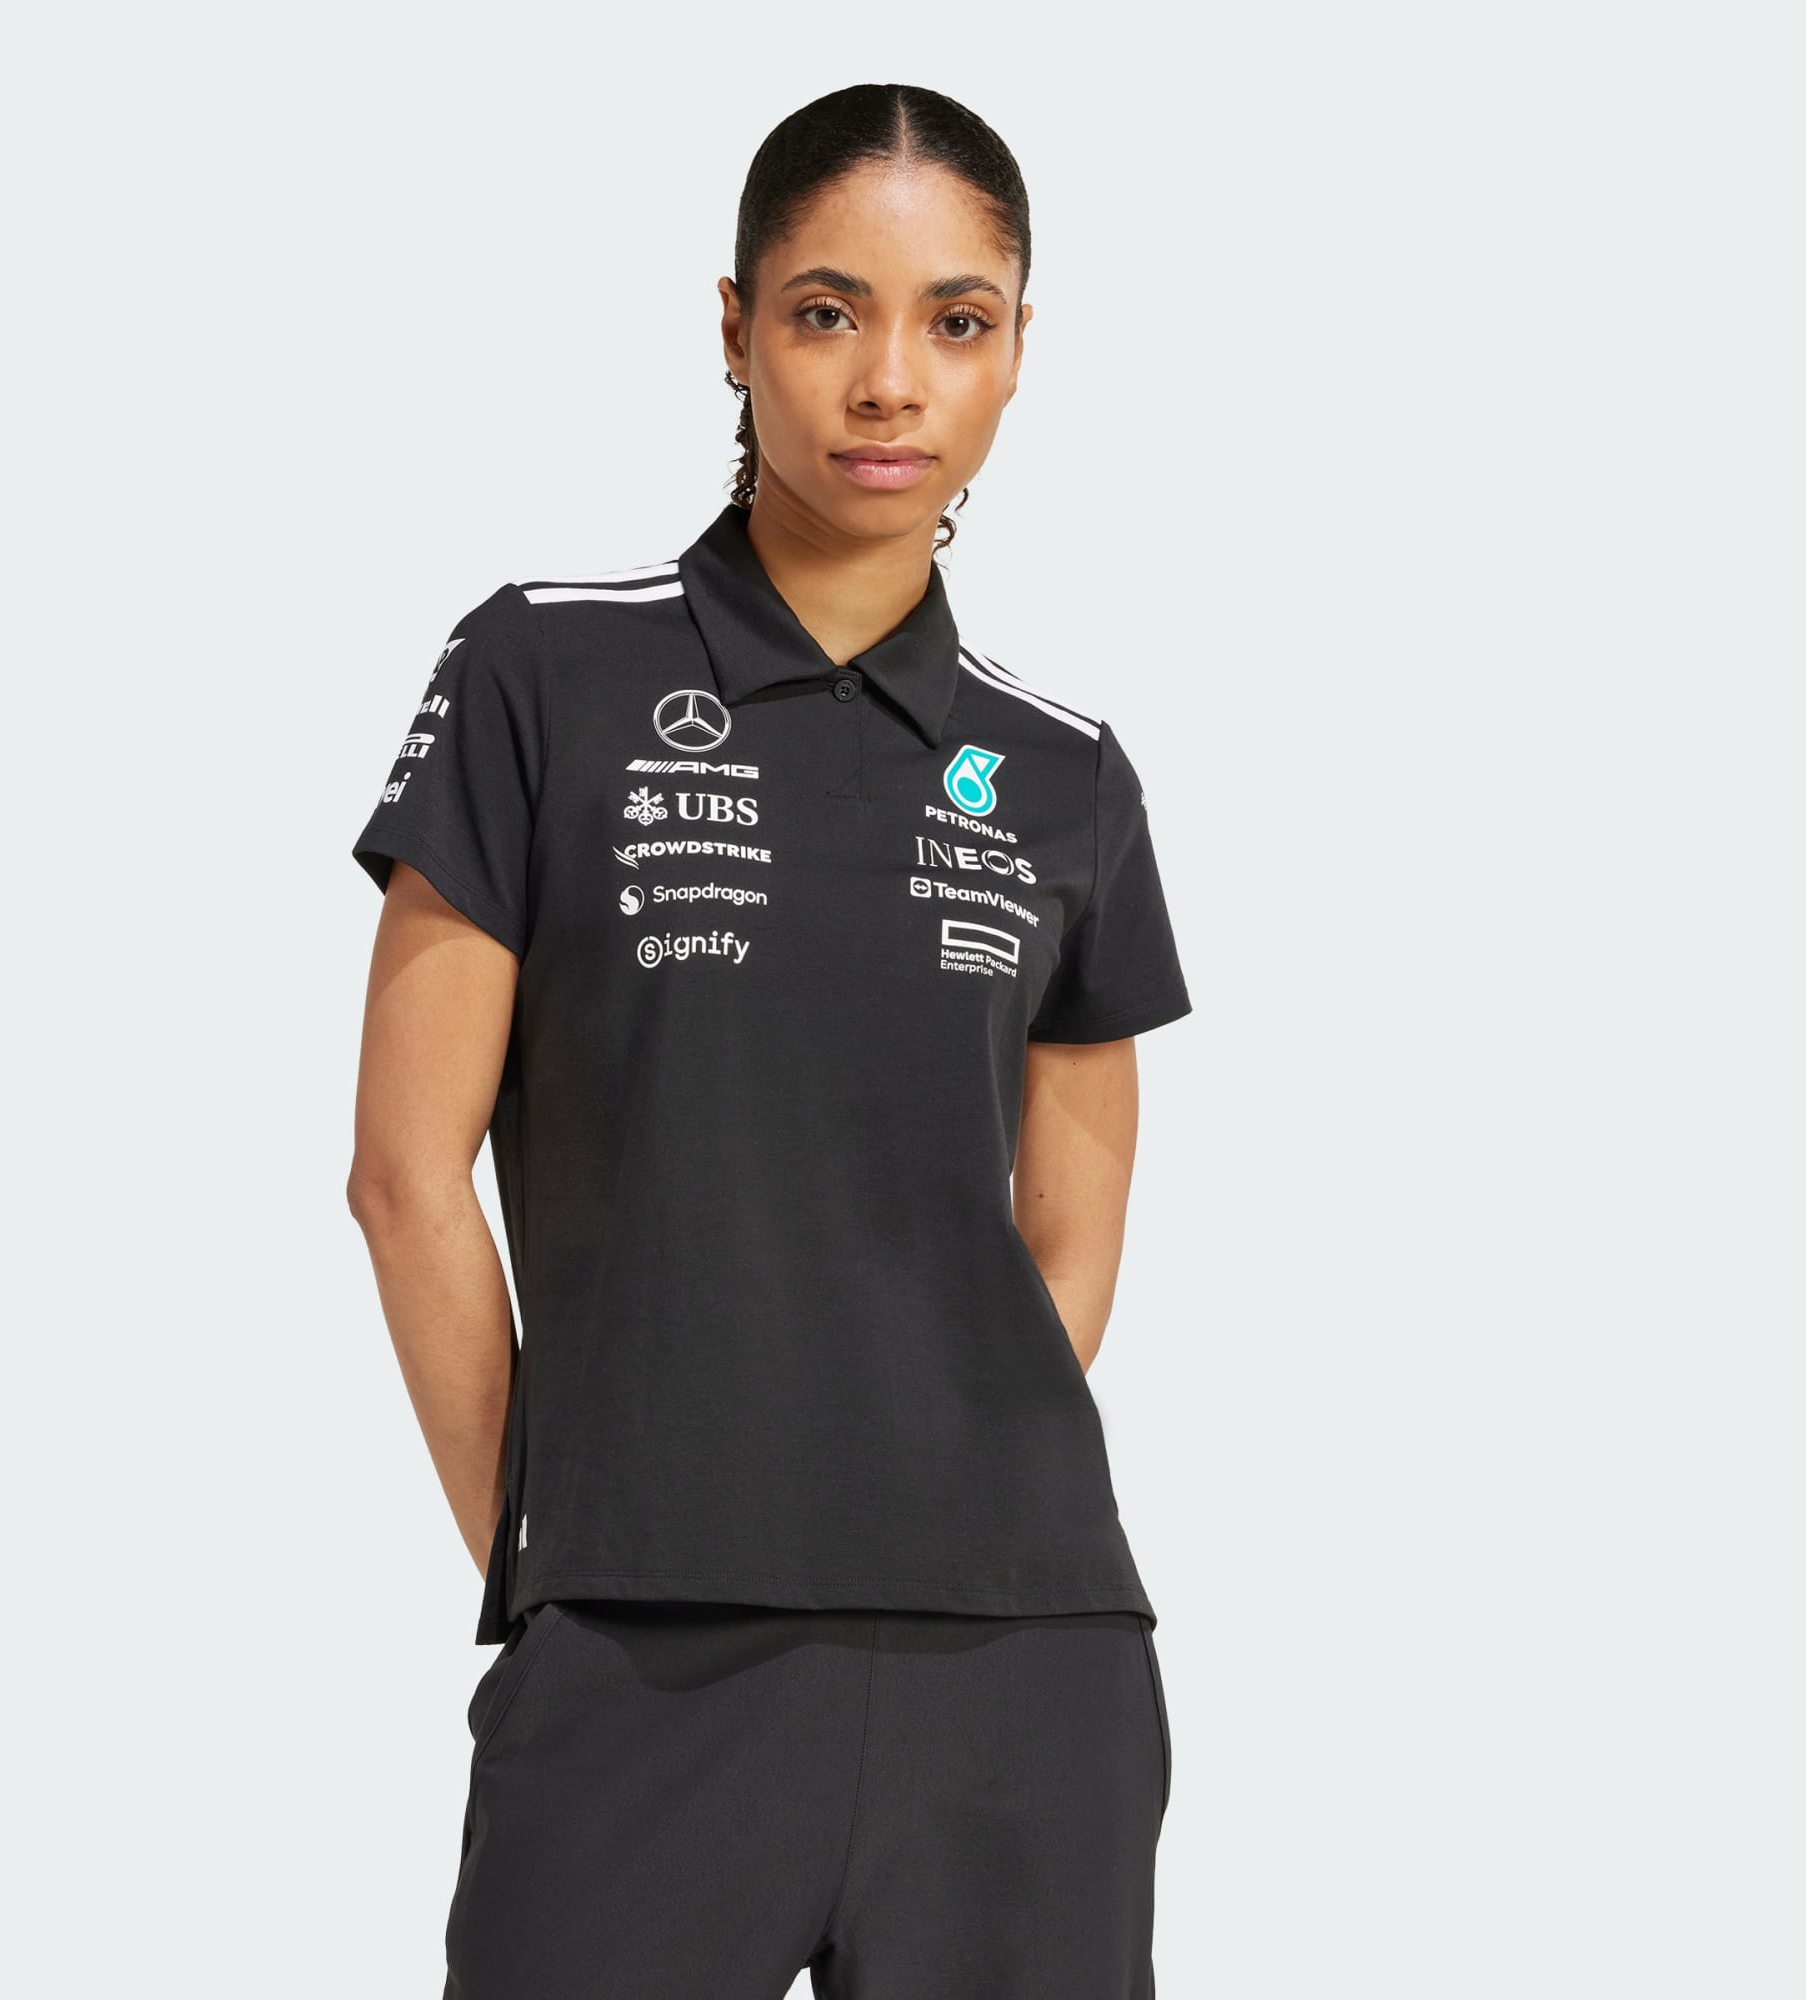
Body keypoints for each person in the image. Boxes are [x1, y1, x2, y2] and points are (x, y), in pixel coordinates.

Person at [347, 81, 1191, 2000]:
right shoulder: (544, 667)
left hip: (1027, 1661)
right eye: (827, 313)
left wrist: (925, 1474)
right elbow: (403, 1177)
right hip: (639, 1653)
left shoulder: (1064, 774)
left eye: (955, 321)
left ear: (1017, 352)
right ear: (733, 329)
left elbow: (1071, 1233)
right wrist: (548, 1548)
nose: (890, 381)